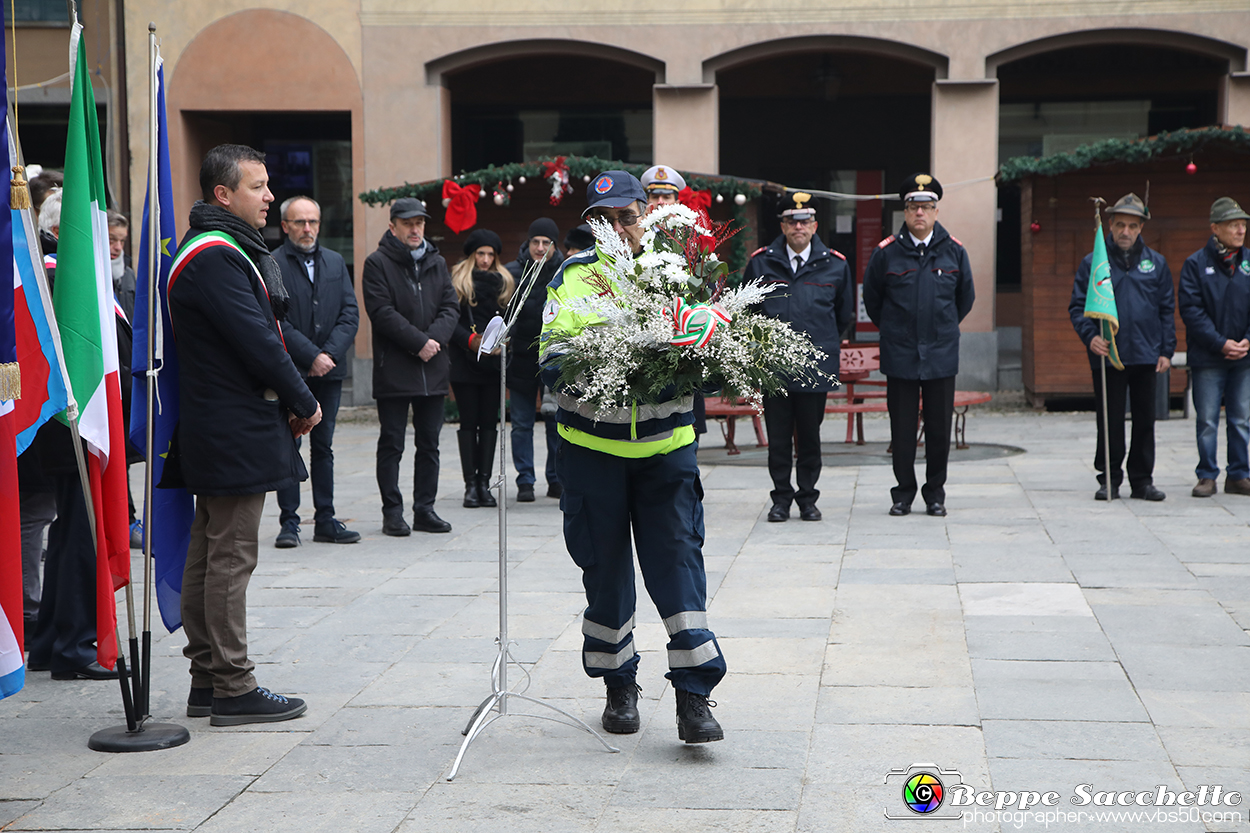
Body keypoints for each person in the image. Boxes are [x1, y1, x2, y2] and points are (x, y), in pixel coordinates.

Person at [540, 170, 726, 744]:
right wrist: (611, 361)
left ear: (645, 213)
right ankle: (618, 685)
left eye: (625, 215)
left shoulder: (681, 273)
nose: (617, 227)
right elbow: (551, 360)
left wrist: (700, 356)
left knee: (678, 570)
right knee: (606, 572)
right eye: (603, 219)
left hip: (666, 452)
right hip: (592, 454)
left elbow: (712, 355)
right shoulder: (571, 279)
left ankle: (694, 697)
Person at [167, 144, 320, 725]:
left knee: (211, 551)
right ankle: (233, 685)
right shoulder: (215, 256)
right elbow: (259, 341)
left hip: (223, 425)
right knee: (229, 556)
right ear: (223, 195)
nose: (270, 197)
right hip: (232, 426)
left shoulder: (223, 251)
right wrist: (304, 400)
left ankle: (208, 679)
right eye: (258, 187)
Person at [18, 193, 119, 682]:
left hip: (68, 430)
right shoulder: (60, 279)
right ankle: (74, 645)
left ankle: (53, 639)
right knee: (80, 533)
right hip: (74, 428)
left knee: (71, 530)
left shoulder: (53, 276)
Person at [863, 174, 975, 517]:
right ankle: (903, 494)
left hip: (940, 353)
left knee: (939, 429)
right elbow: (873, 300)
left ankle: (935, 493)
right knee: (903, 429)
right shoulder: (887, 253)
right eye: (914, 207)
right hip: (901, 354)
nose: (920, 214)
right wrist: (898, 331)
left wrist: (940, 329)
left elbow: (965, 299)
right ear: (905, 211)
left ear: (936, 211)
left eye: (927, 207)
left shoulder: (954, 251)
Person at [745, 192, 853, 522]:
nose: (798, 226)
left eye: (805, 220)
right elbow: (748, 313)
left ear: (815, 225)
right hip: (774, 366)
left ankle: (808, 498)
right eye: (791, 220)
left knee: (810, 436)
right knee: (778, 439)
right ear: (782, 225)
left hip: (814, 366)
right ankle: (781, 500)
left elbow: (843, 314)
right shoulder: (761, 262)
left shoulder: (835, 263)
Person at [362, 197, 459, 534]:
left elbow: (451, 306)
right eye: (408, 223)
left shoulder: (437, 261)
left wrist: (434, 340)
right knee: (392, 442)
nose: (415, 228)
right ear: (393, 226)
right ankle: (392, 512)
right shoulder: (377, 263)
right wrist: (420, 343)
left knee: (429, 443)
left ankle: (424, 509)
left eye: (419, 222)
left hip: (433, 367)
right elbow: (381, 312)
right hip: (396, 368)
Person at [1069, 192, 1174, 502]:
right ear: (1110, 226)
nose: (1125, 232)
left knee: (1145, 420)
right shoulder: (1094, 263)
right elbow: (1078, 307)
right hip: (1108, 355)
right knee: (1110, 420)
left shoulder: (1156, 263)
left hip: (1145, 353)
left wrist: (1167, 350)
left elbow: (1166, 309)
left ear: (1141, 228)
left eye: (1132, 226)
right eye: (1120, 225)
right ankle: (1110, 479)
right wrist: (1090, 337)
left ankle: (1142, 481)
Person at [272, 195, 361, 547]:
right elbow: (277, 320)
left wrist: (329, 355)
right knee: (289, 443)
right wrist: (311, 356)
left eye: (313, 222)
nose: (307, 229)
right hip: (291, 371)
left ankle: (325, 518)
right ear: (285, 226)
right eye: (299, 222)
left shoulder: (336, 262)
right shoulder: (273, 263)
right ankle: (289, 523)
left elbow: (350, 313)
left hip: (330, 373)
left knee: (323, 447)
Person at [1179, 197, 1250, 498]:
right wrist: (1221, 344)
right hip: (1208, 357)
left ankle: (1239, 475)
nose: (1240, 229)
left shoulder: (1248, 263)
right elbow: (1191, 310)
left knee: (1241, 418)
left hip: (1244, 357)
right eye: (1233, 224)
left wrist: (1247, 340)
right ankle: (1207, 474)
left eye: (1243, 224)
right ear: (1215, 228)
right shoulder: (1195, 264)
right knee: (1207, 419)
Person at [449, 229, 515, 508]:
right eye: (481, 254)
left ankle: (485, 483)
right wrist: (470, 341)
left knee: (489, 422)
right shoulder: (458, 283)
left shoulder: (504, 283)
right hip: (465, 362)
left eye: (490, 254)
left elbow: (512, 321)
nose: (486, 259)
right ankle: (470, 485)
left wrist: (503, 343)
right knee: (468, 421)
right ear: (472, 255)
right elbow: (450, 322)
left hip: (492, 364)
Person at [505, 218, 564, 502]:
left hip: (553, 358)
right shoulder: (512, 272)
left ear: (554, 245)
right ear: (528, 244)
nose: (540, 248)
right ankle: (525, 480)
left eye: (546, 243)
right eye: (535, 242)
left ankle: (556, 478)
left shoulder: (565, 273)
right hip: (521, 358)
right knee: (521, 423)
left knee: (555, 422)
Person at [106, 210, 145, 549]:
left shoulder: (130, 277)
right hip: (109, 381)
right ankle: (125, 517)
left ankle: (132, 517)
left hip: (133, 379)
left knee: (130, 455)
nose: (117, 248)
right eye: (111, 240)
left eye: (121, 241)